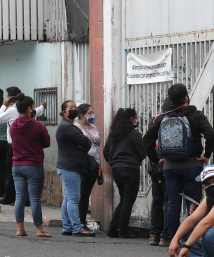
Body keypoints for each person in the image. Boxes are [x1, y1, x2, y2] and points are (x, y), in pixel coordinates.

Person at [143, 83, 214, 239]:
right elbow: (210, 134)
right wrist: (206, 155)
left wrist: (157, 160)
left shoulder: (163, 117)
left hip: (169, 167)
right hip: (192, 165)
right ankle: (193, 238)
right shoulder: (196, 115)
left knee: (173, 203)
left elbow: (147, 139)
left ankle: (173, 238)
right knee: (194, 203)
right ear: (186, 97)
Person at [0, 86, 46, 205]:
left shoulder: (11, 110)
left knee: (11, 173)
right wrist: (42, 107)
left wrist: (3, 106)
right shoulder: (28, 111)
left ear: (11, 98)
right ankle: (23, 198)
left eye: (6, 97)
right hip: (27, 147)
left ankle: (10, 197)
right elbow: (36, 111)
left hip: (13, 146)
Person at [9, 93, 51, 237]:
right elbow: (47, 143)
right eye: (33, 107)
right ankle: (39, 230)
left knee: (19, 198)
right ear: (29, 109)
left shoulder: (13, 125)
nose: (34, 109)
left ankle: (20, 229)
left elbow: (14, 142)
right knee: (34, 199)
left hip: (17, 165)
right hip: (34, 165)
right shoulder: (38, 126)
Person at [102, 108, 146, 238]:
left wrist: (114, 162)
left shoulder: (113, 134)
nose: (136, 120)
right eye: (135, 118)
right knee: (128, 200)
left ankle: (112, 229)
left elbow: (106, 151)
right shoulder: (134, 133)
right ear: (131, 119)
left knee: (123, 199)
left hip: (117, 169)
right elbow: (142, 152)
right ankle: (123, 230)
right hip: (130, 169)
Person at [56, 100, 94, 237]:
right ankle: (77, 228)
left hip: (68, 166)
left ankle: (67, 227)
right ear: (64, 112)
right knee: (73, 198)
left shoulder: (68, 126)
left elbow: (84, 143)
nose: (74, 109)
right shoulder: (68, 127)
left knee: (68, 198)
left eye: (75, 107)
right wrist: (84, 143)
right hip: (70, 167)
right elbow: (86, 141)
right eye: (71, 108)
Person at [148, 98, 174, 247]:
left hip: (155, 167)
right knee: (169, 200)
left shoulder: (155, 119)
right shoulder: (173, 119)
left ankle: (154, 235)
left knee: (157, 201)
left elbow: (149, 142)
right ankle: (166, 235)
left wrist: (154, 160)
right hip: (169, 165)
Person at [75, 103, 101, 228]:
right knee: (79, 194)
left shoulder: (94, 128)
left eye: (92, 112)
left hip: (94, 165)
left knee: (86, 194)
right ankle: (76, 222)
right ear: (82, 115)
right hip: (81, 164)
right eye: (89, 113)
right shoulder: (76, 128)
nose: (92, 115)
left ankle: (82, 221)